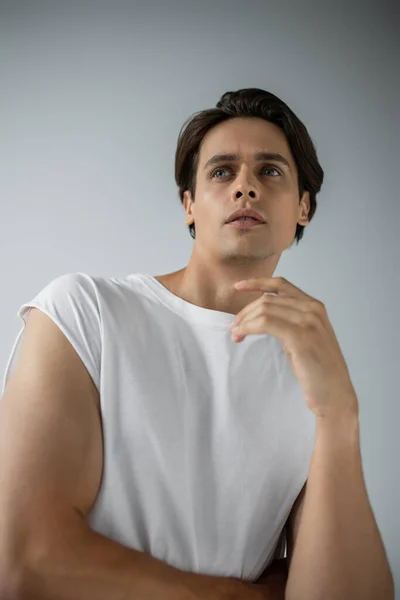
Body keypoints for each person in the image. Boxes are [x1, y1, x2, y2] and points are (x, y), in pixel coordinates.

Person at [0, 88, 324, 599]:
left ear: (303, 207)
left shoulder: (311, 376)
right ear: (188, 205)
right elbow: (28, 564)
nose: (245, 188)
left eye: (270, 171)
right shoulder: (82, 314)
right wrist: (242, 595)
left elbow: (327, 581)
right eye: (222, 171)